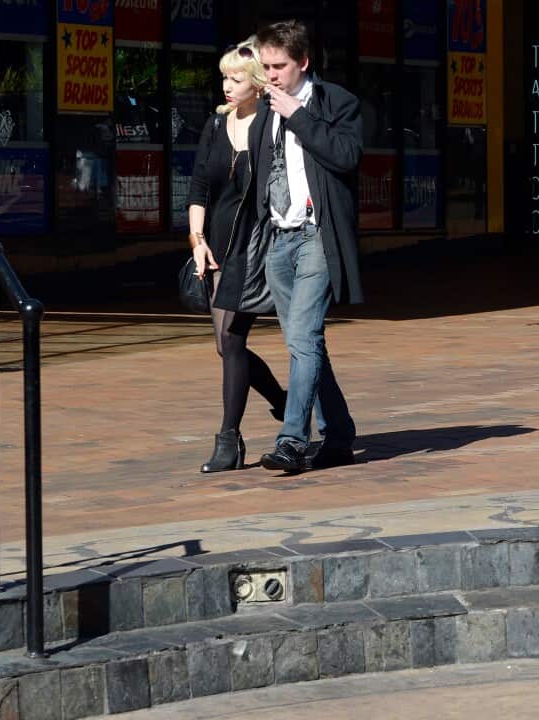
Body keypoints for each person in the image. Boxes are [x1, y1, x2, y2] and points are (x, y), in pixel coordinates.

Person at [247, 20, 363, 474]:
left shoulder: (337, 103)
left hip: (319, 234)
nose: (271, 75)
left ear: (303, 63)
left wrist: (298, 114)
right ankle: (339, 434)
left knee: (303, 339)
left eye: (279, 66)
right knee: (305, 342)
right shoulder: (263, 107)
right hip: (280, 236)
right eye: (266, 65)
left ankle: (293, 438)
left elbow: (346, 156)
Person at [187, 39, 287, 473]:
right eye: (224, 77)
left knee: (231, 340)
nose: (226, 86)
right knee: (226, 346)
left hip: (255, 246)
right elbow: (199, 188)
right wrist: (196, 240)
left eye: (236, 78)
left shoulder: (271, 123)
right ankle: (282, 400)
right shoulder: (215, 124)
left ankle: (229, 440)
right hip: (216, 248)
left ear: (259, 83)